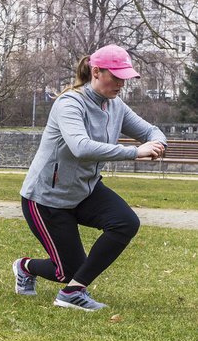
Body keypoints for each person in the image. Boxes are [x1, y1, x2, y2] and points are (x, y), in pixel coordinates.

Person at [12, 44, 166, 311]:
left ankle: (73, 292)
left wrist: (158, 143)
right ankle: (25, 267)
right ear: (96, 72)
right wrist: (135, 152)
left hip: (86, 190)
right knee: (66, 269)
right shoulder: (69, 103)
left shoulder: (115, 105)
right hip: (47, 198)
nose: (121, 83)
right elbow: (81, 147)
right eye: (116, 77)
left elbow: (150, 130)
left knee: (125, 222)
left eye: (125, 78)